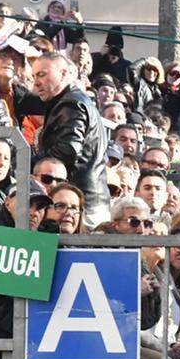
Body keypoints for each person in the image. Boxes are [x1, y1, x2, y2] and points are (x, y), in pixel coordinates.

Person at [31, 51, 108, 227]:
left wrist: (28, 162)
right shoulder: (68, 101)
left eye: (42, 74)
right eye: (34, 76)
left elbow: (66, 151)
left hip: (81, 205)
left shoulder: (71, 104)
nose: (36, 82)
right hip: (85, 202)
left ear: (63, 73)